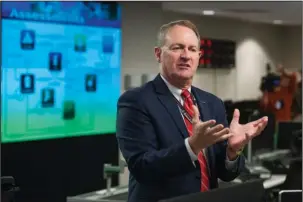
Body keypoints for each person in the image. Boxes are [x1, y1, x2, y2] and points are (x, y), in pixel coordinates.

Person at [116, 20, 268, 202]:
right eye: (177, 48)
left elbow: (225, 174)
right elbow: (142, 167)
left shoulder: (213, 103)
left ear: (199, 56)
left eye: (192, 49)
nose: (186, 56)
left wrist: (232, 151)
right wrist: (192, 147)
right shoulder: (136, 101)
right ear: (158, 54)